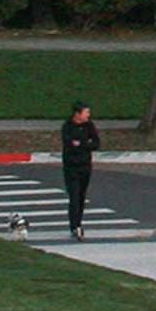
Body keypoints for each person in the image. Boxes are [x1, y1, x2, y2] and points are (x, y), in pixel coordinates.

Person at [58, 102, 101, 239]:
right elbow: (69, 144)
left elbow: (95, 143)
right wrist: (83, 144)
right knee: (74, 196)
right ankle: (75, 226)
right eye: (86, 112)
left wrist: (81, 144)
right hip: (71, 167)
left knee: (81, 196)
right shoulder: (68, 127)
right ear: (77, 114)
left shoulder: (89, 126)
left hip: (85, 166)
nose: (88, 115)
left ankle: (79, 222)